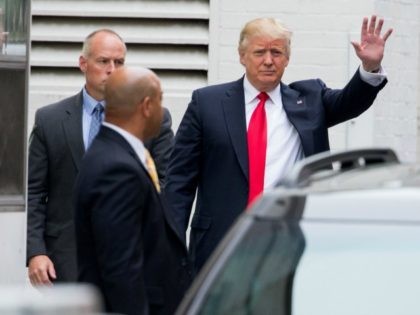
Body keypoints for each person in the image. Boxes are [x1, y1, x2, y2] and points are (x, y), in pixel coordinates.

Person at [165, 15, 393, 273]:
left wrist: (370, 68)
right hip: (221, 243)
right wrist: (169, 251)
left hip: (288, 242)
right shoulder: (207, 103)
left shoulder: (309, 99)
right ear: (242, 56)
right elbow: (179, 182)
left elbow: (350, 102)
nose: (268, 60)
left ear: (287, 58)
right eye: (259, 52)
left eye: (277, 52)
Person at [27, 29, 174, 286]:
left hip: (132, 256)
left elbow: (166, 184)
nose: (112, 69)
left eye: (119, 63)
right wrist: (36, 252)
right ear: (83, 64)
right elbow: (34, 192)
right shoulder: (49, 120)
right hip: (65, 259)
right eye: (103, 61)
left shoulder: (151, 118)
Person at [74, 66, 192, 315]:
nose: (162, 109)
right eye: (161, 100)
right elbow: (121, 268)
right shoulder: (117, 169)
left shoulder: (113, 153)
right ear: (147, 106)